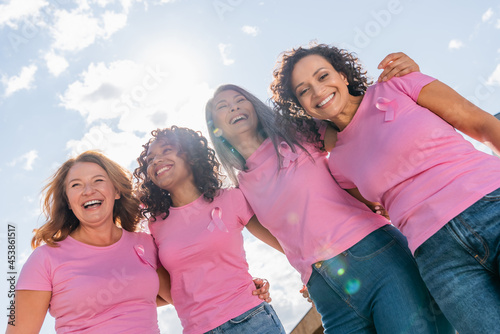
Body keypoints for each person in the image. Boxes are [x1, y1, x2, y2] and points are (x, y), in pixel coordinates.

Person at [270, 43, 500, 334]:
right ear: (300, 104)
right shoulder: (337, 161)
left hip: (491, 204)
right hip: (439, 258)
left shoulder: (400, 85)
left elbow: (482, 124)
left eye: (323, 76)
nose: (317, 91)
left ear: (342, 74)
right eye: (304, 90)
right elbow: (378, 212)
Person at [205, 81, 453, 333]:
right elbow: (285, 242)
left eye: (240, 100)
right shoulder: (240, 190)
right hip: (324, 288)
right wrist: (313, 273)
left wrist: (375, 193)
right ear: (216, 128)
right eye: (223, 106)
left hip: (376, 255)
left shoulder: (295, 133)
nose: (234, 108)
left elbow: (357, 130)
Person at [134, 126, 286, 334]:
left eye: (166, 150)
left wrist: (311, 277)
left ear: (190, 156)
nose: (156, 161)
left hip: (251, 320)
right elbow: (164, 289)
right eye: (150, 159)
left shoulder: (230, 199)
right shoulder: (154, 226)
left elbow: (285, 242)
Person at [8, 151, 163, 334]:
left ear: (117, 191)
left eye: (98, 180)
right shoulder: (44, 259)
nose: (88, 191)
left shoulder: (145, 245)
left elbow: (185, 294)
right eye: (76, 185)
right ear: (68, 201)